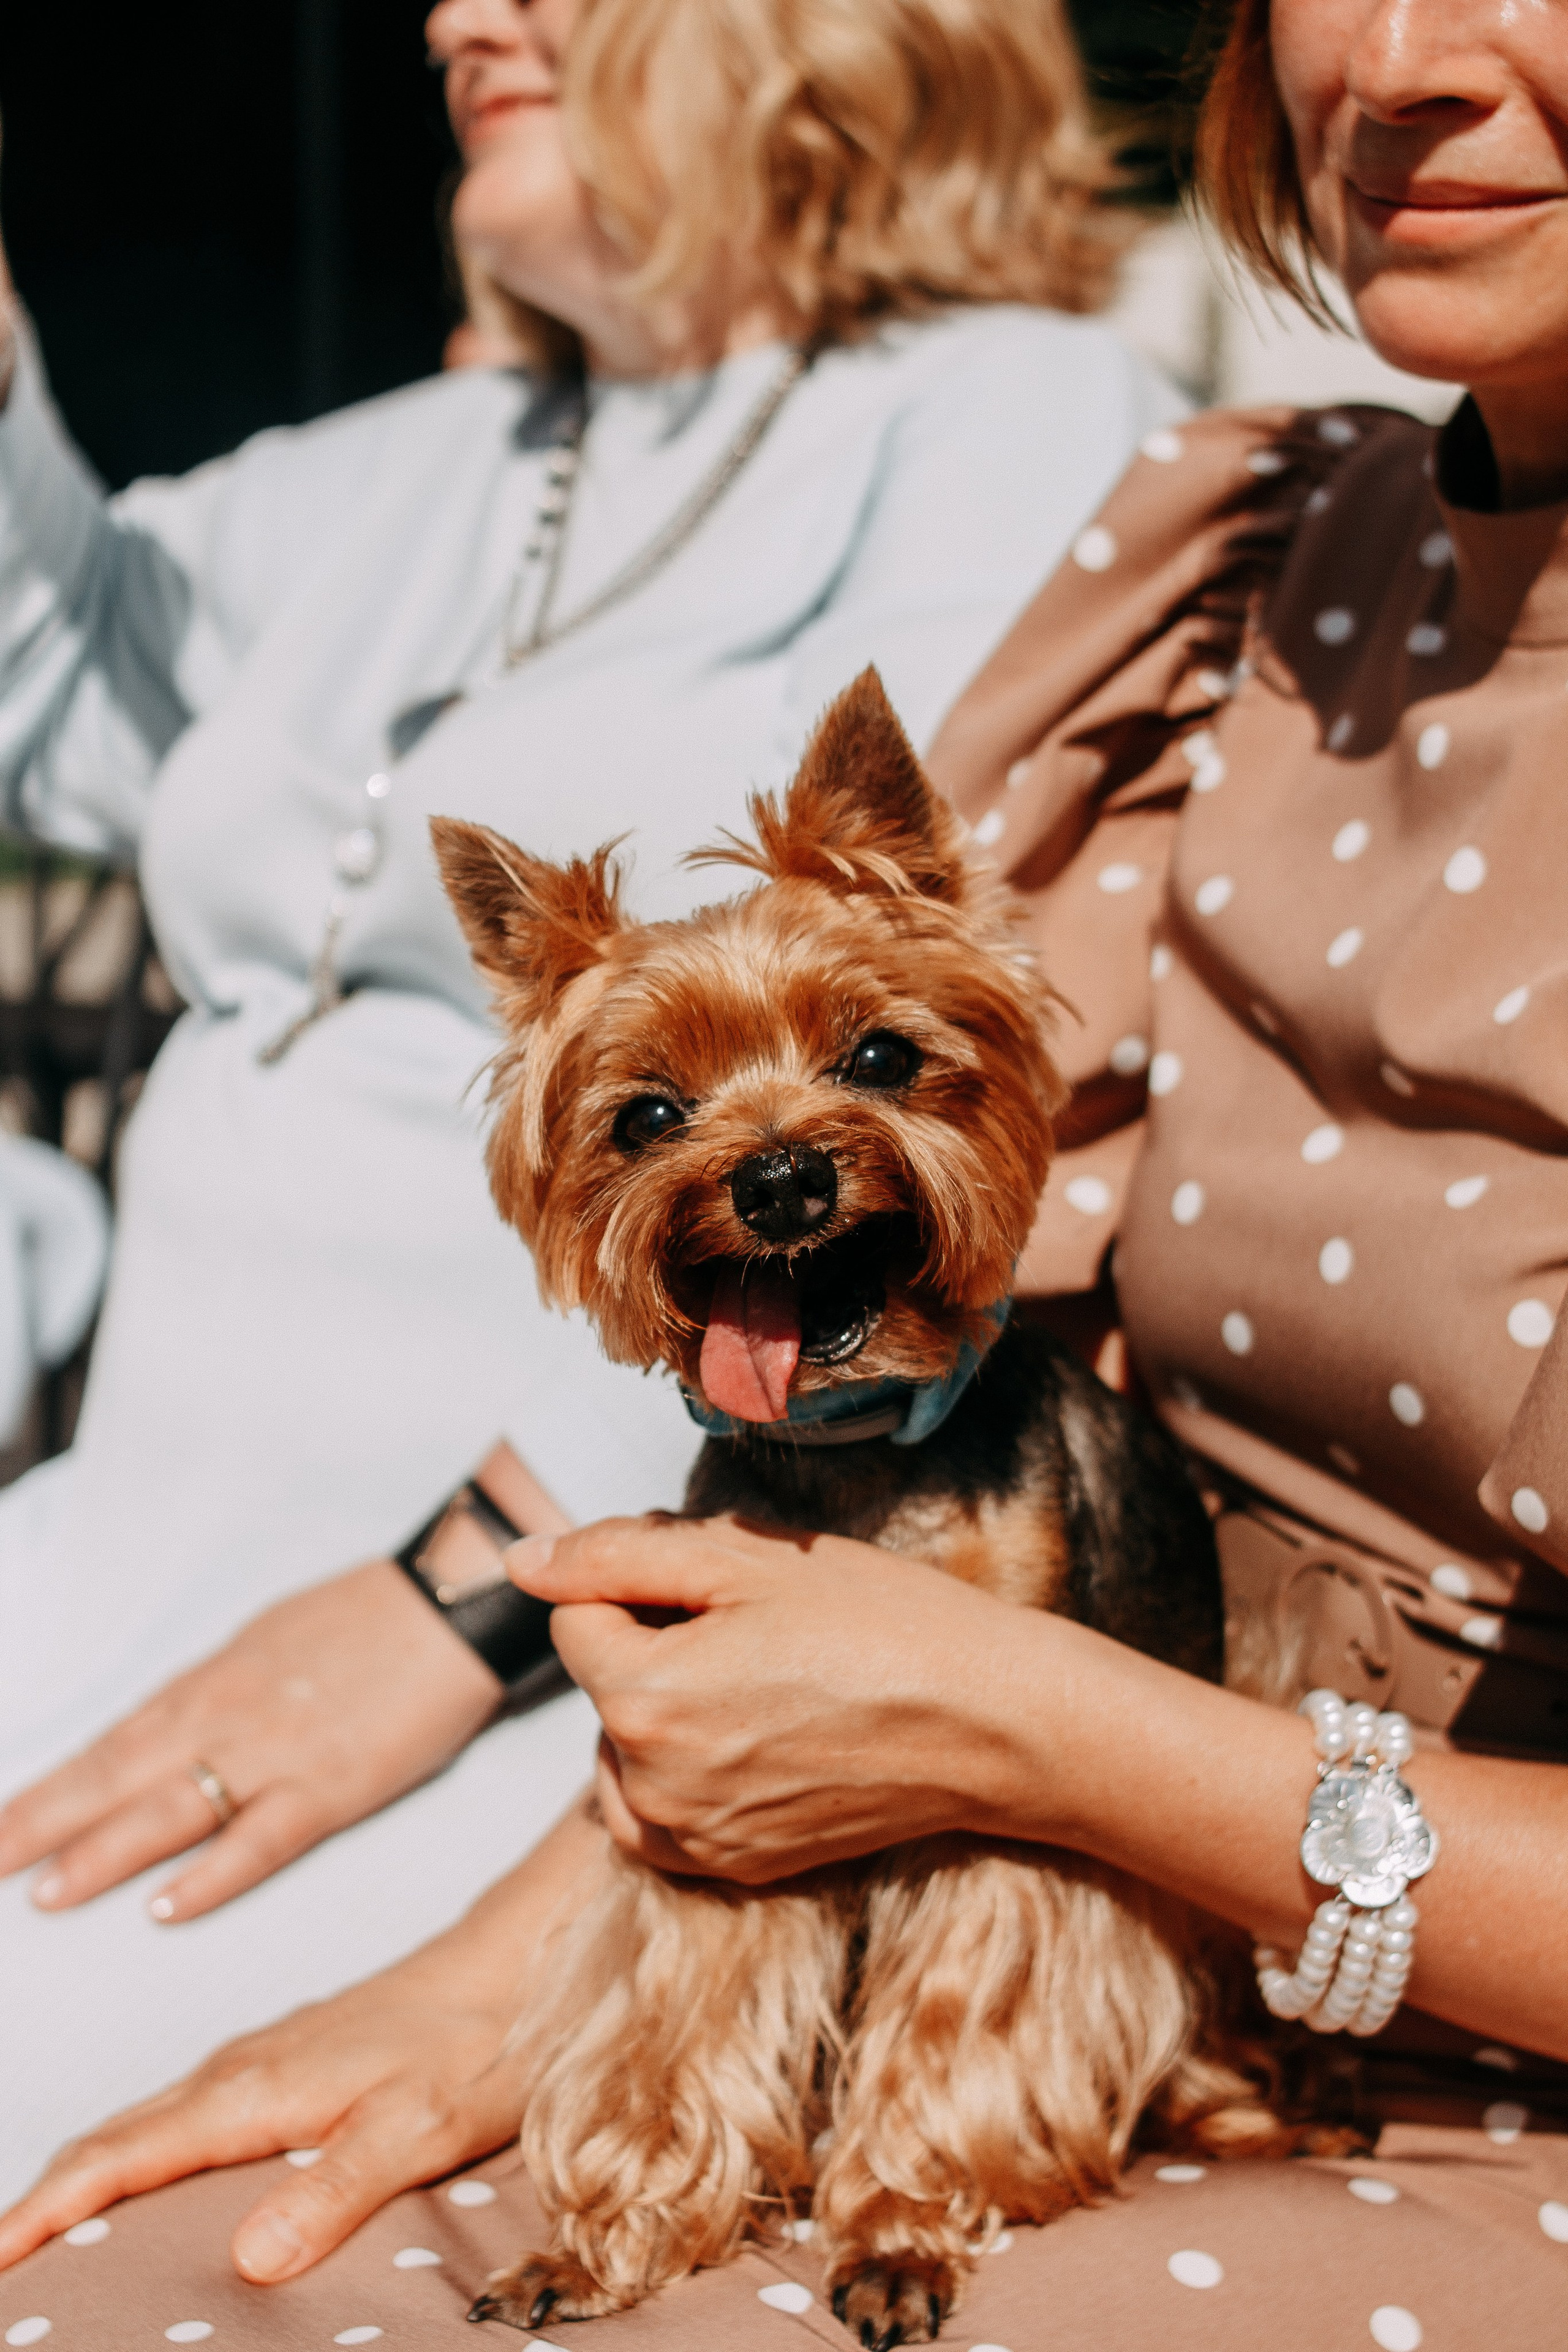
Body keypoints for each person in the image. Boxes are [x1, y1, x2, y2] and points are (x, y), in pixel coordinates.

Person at [9, 0, 1566, 2340]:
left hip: (1377, 2021)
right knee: (136, 2269)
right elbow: (907, 1362)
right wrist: (489, 1967)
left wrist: (999, 1722)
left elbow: (952, 1618)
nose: (1414, 52)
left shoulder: (1011, 440)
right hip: (984, 1768)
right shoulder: (1241, 557)